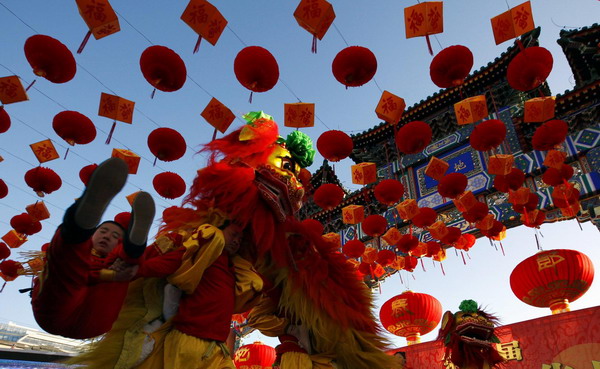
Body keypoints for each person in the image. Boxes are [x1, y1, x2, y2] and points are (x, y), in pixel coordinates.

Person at [31, 157, 156, 339]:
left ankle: (135, 244)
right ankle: (80, 225)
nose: (107, 236)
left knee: (127, 264)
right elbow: (75, 270)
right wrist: (109, 274)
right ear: (94, 234)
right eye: (103, 231)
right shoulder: (78, 256)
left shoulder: (114, 258)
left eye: (115, 236)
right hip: (56, 311)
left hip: (96, 318)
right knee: (70, 259)